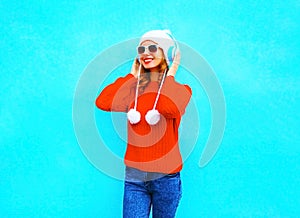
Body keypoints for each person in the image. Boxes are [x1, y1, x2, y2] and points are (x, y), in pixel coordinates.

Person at [95, 30, 192, 218]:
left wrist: (172, 71)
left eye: (153, 47)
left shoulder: (181, 90)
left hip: (166, 178)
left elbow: (168, 107)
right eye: (142, 48)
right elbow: (103, 102)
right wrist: (131, 76)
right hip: (135, 178)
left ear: (167, 53)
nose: (146, 52)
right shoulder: (133, 91)